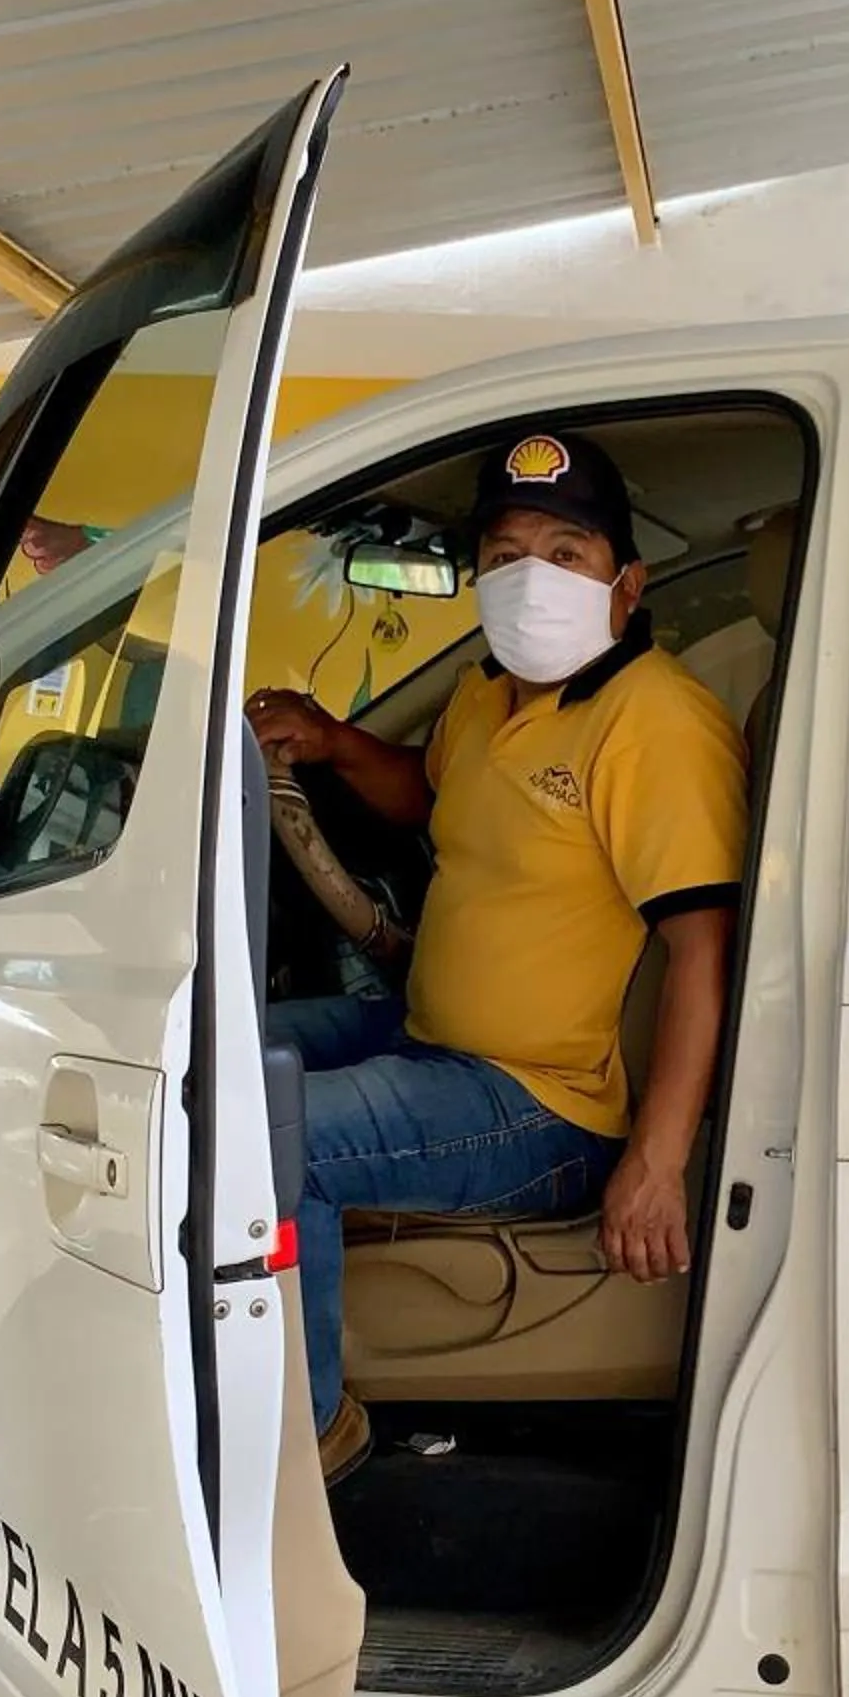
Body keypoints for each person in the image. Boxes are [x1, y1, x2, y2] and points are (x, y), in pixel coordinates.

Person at [246, 432, 748, 1482]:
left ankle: (308, 1429)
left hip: (547, 1100)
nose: (532, 580)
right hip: (431, 1035)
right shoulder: (488, 692)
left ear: (628, 581)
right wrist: (337, 745)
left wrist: (657, 1166)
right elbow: (432, 796)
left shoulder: (656, 724)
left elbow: (703, 955)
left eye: (566, 554)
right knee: (198, 1056)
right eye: (508, 553)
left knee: (265, 1137)